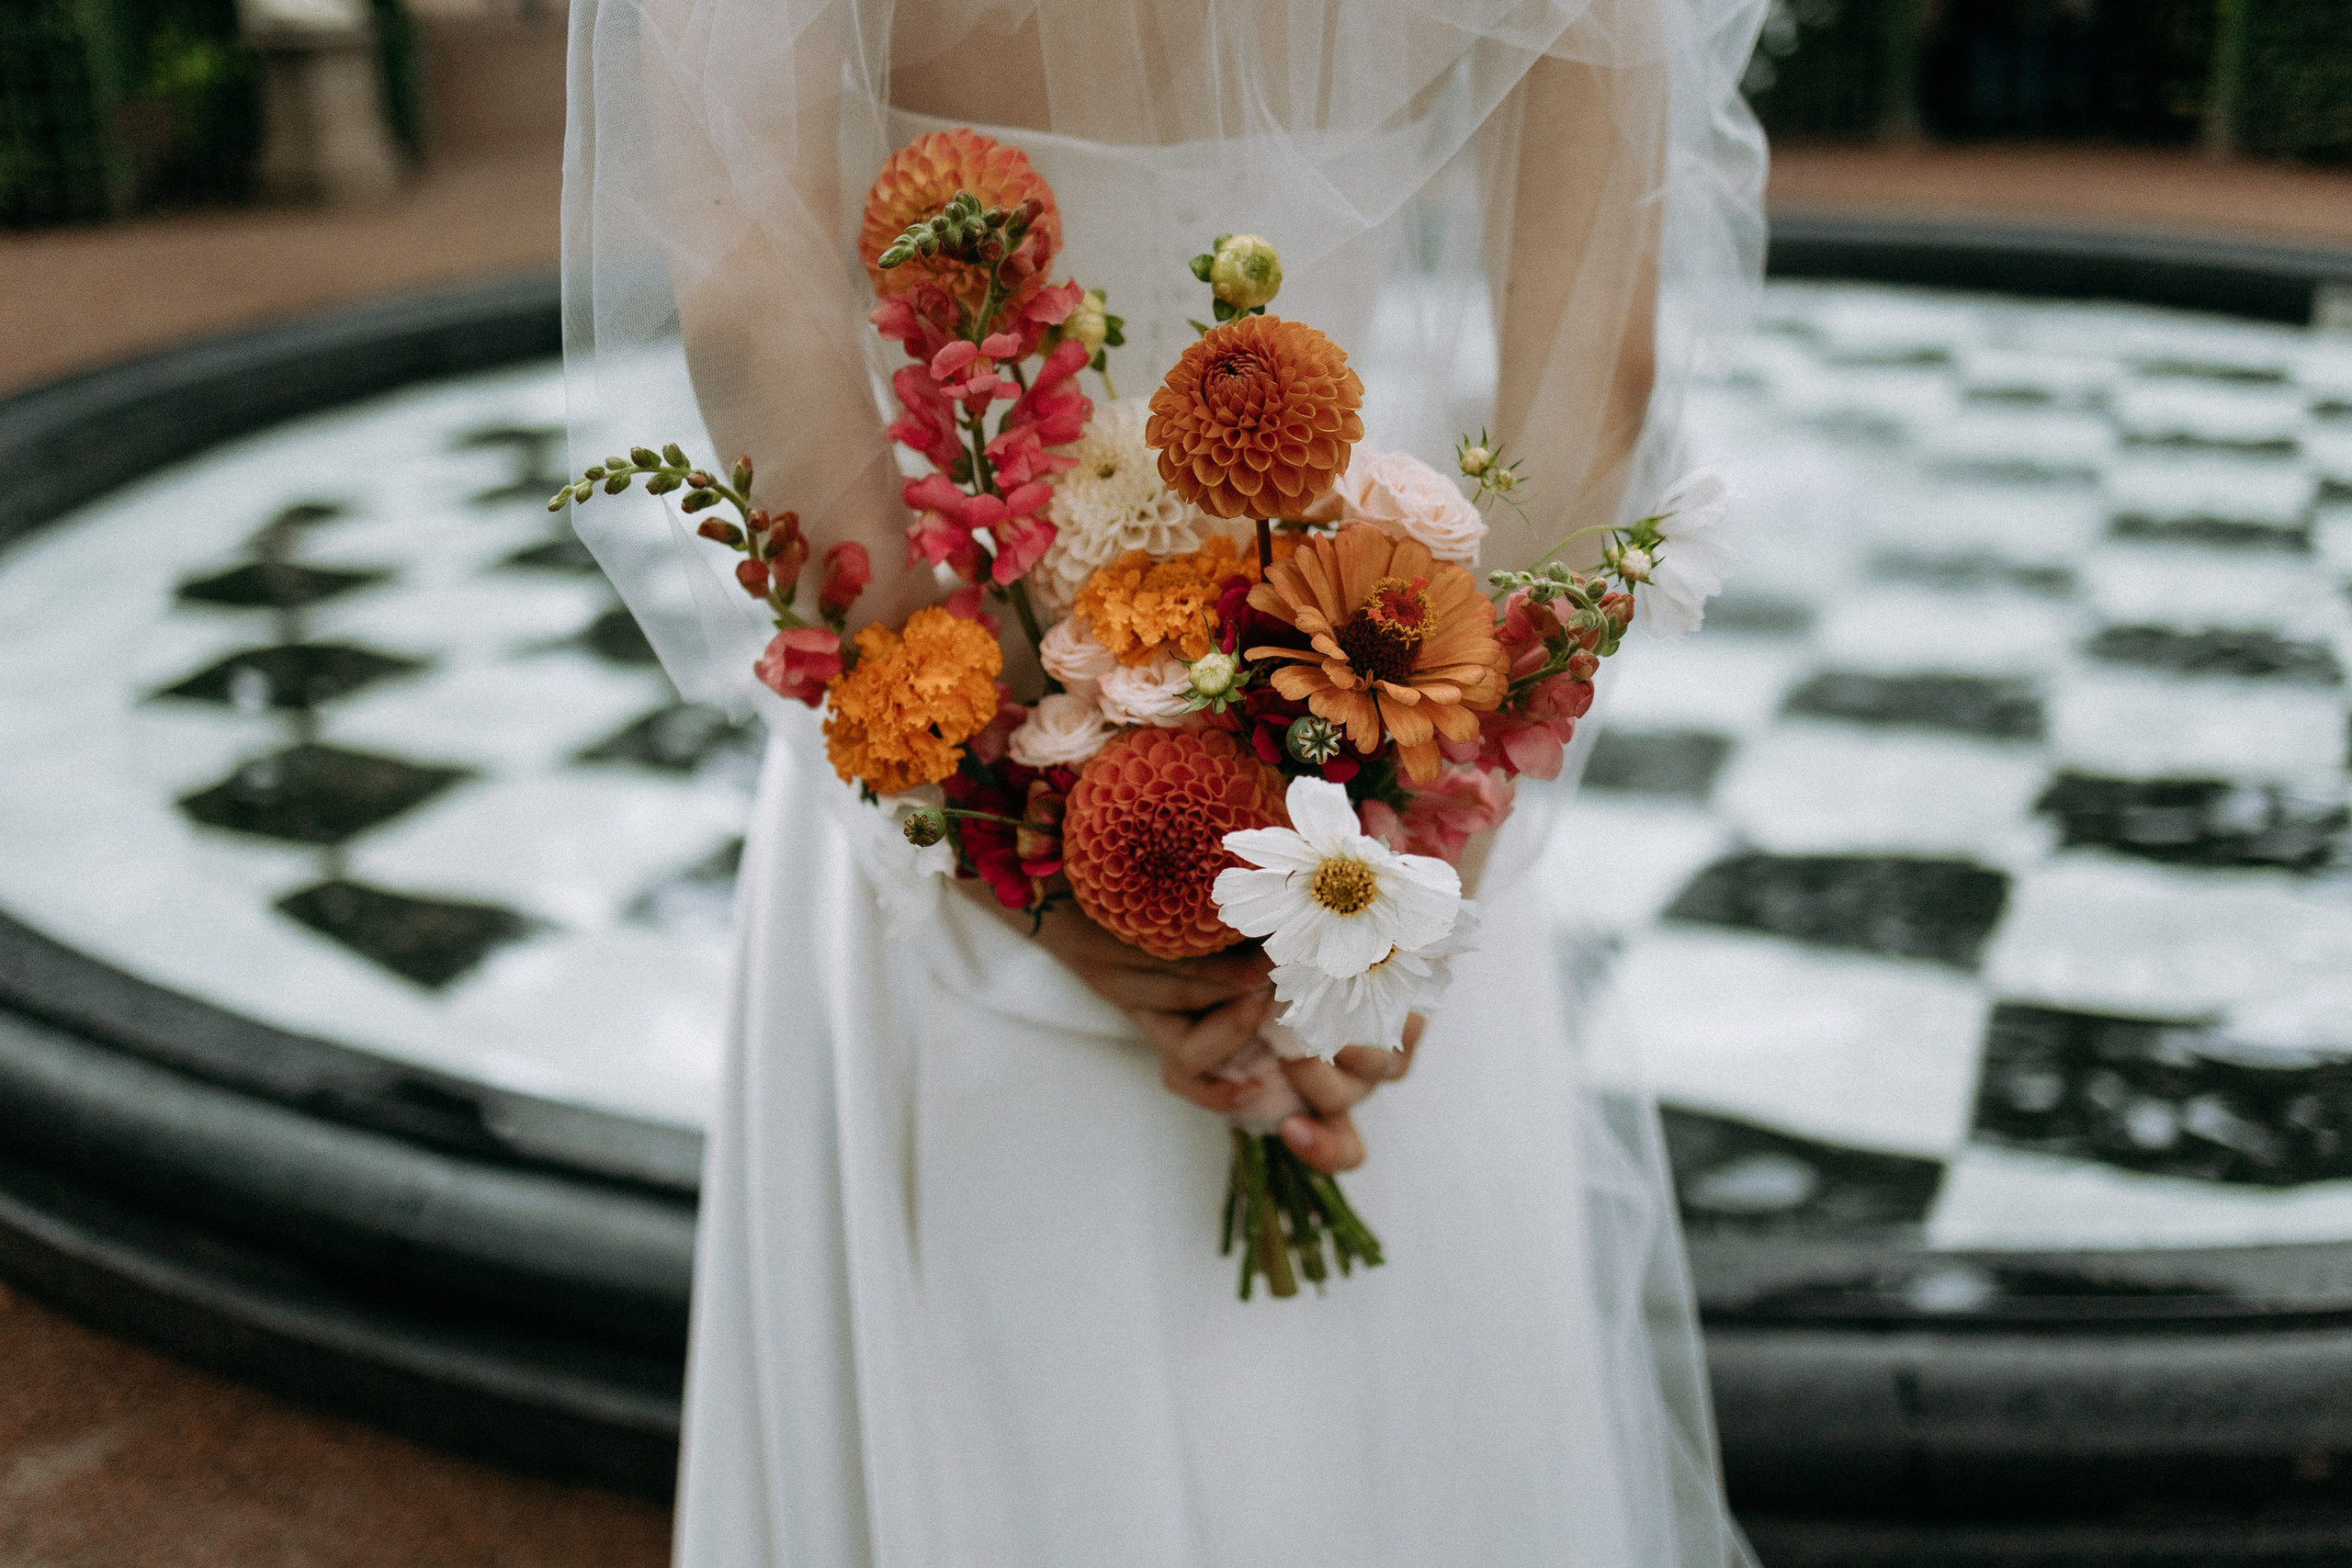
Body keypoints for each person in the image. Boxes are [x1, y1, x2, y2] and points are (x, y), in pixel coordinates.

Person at [561, 3, 1768, 1562]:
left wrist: (1018, 841)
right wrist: (1396, 865)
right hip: (1370, 759)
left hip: (968, 842)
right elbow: (1599, 370)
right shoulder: (1388, 848)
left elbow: (745, 315)